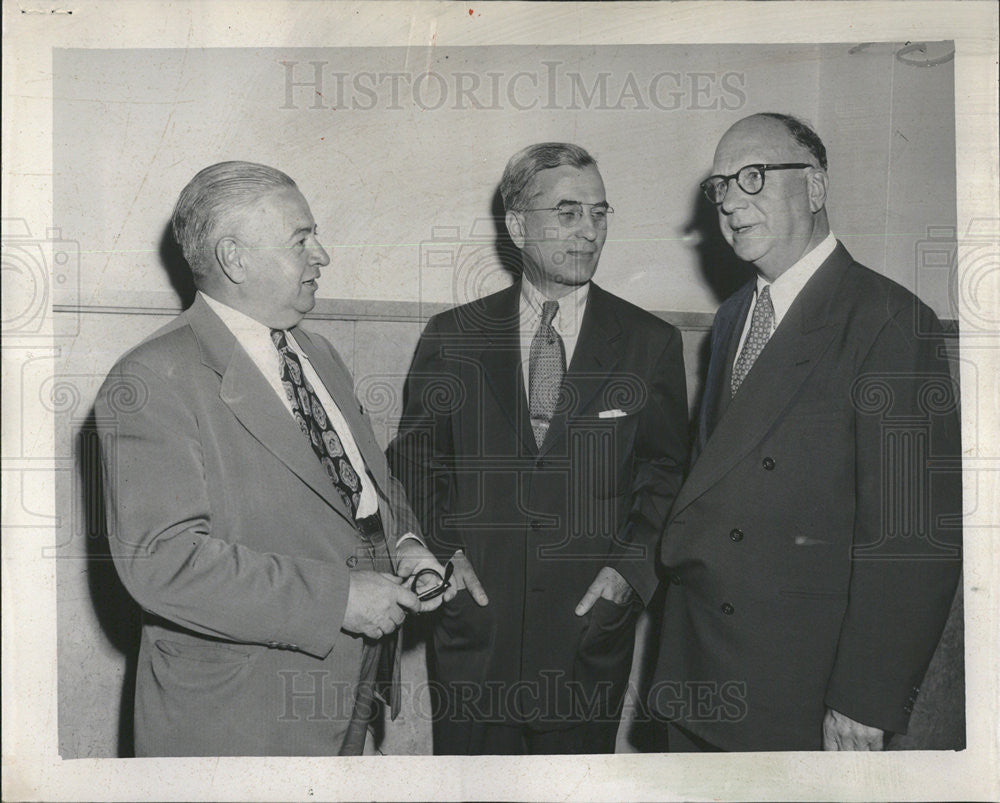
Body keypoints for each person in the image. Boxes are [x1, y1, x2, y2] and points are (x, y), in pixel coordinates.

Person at [96, 161, 453, 756]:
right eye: (301, 239)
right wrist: (339, 599)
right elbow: (162, 562)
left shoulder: (318, 353)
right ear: (234, 258)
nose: (322, 254)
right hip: (239, 716)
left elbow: (367, 487)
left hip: (348, 696)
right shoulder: (153, 377)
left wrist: (407, 544)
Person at [649, 113, 962, 751]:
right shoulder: (735, 316)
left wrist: (863, 700)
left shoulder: (889, 320)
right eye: (720, 187)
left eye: (753, 178)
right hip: (700, 668)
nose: (731, 202)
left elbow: (912, 540)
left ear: (815, 189)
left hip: (798, 686)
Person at [388, 142, 689, 754]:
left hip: (586, 636)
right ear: (519, 226)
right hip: (476, 632)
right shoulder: (452, 337)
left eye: (600, 214)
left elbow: (666, 472)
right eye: (569, 212)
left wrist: (627, 575)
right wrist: (445, 551)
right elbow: (414, 461)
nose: (589, 233)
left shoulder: (649, 344)